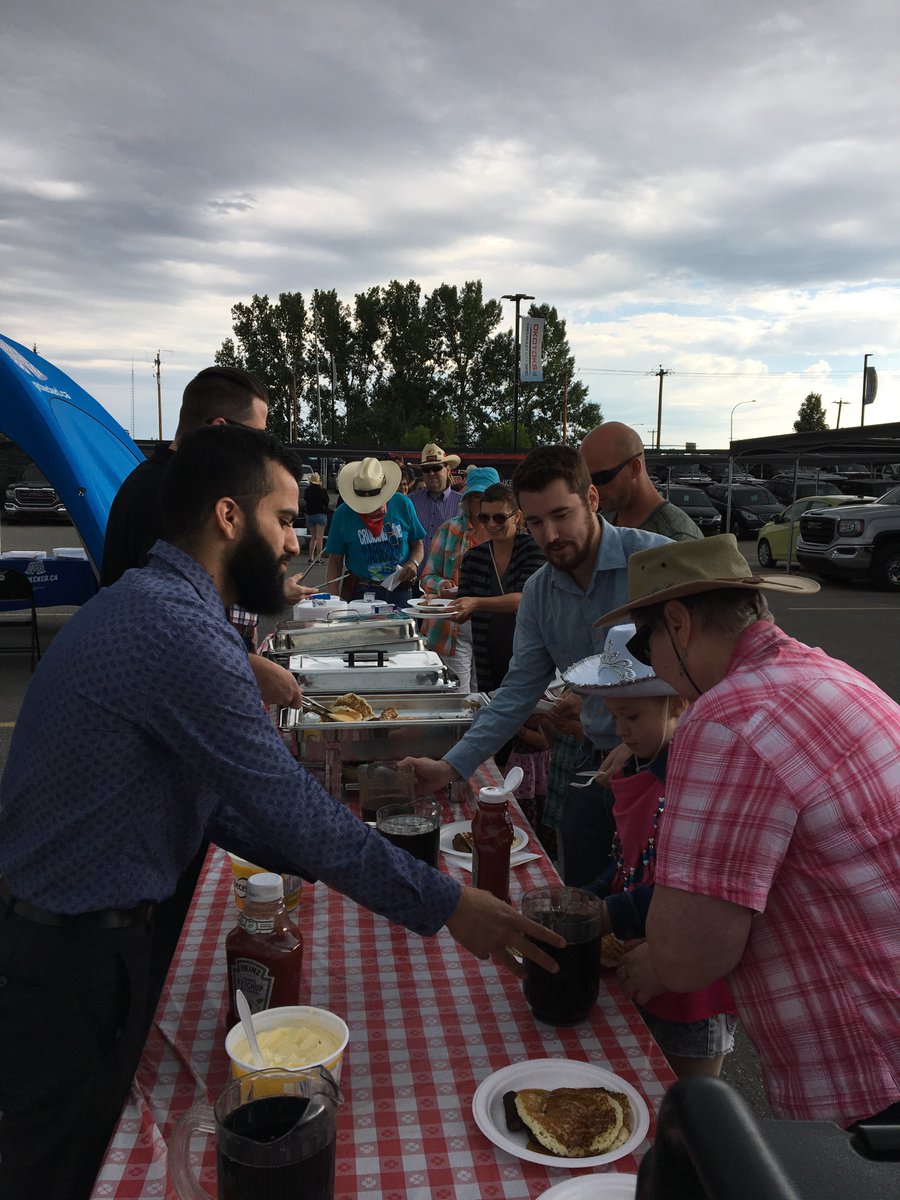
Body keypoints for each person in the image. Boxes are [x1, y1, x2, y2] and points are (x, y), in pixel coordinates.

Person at [0, 426, 563, 1200]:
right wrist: (446, 903)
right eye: (285, 519)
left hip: (71, 938)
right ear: (229, 516)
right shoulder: (178, 630)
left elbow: (224, 809)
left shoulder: (159, 606)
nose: (297, 542)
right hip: (70, 958)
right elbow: (289, 812)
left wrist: (357, 854)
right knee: (56, 1166)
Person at [596, 534, 900, 1126]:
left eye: (643, 641)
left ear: (678, 624)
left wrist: (656, 954)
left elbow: (686, 955)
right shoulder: (830, 672)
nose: (649, 663)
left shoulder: (726, 718)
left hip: (870, 1055)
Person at [401, 445, 670, 884]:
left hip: (675, 765)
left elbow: (734, 667)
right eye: (537, 522)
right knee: (583, 895)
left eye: (561, 515)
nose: (551, 534)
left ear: (592, 499)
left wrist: (671, 733)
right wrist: (449, 767)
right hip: (595, 762)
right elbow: (516, 693)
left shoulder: (656, 561)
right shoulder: (540, 593)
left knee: (656, 899)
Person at [570, 624, 737, 1080]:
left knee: (693, 1097)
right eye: (614, 717)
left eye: (631, 717)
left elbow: (687, 890)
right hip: (643, 959)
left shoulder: (697, 777)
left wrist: (606, 914)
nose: (620, 731)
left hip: (694, 979)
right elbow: (629, 862)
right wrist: (590, 897)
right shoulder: (638, 762)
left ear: (677, 703)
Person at [455, 481, 546, 694]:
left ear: (517, 517)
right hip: (486, 653)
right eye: (484, 517)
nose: (491, 524)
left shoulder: (534, 549)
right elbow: (462, 609)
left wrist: (474, 603)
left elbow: (523, 599)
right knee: (491, 704)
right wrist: (443, 608)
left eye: (499, 517)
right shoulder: (473, 557)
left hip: (529, 652)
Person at [419, 467, 499, 692]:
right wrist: (441, 585)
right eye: (476, 497)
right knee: (459, 694)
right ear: (467, 500)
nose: (482, 503)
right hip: (453, 626)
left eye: (488, 497)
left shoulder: (506, 533)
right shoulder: (450, 530)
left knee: (486, 692)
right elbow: (427, 576)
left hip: (493, 627)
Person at [325, 457, 426, 608]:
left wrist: (413, 563)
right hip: (361, 592)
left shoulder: (402, 504)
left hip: (400, 589)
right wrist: (333, 601)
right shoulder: (343, 514)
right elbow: (335, 560)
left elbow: (418, 544)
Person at [580, 422, 702, 540]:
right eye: (586, 480)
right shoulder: (604, 520)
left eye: (601, 478)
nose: (592, 489)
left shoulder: (676, 538)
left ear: (634, 468)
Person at [408, 442, 463, 570]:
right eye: (426, 469)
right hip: (413, 576)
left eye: (436, 468)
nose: (431, 473)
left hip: (447, 578)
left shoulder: (463, 503)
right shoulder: (409, 502)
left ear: (448, 470)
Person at [303, 471, 330, 561]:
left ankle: (310, 558)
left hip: (310, 515)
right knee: (319, 538)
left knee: (313, 537)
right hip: (320, 514)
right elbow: (327, 501)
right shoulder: (322, 491)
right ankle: (318, 559)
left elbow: (306, 500)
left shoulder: (307, 491)